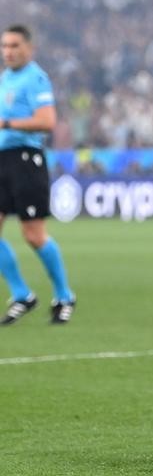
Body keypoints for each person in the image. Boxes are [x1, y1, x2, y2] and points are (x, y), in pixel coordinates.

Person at [0, 25, 75, 325]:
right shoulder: (5, 78)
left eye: (14, 46)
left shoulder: (36, 78)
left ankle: (64, 296)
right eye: (4, 46)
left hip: (26, 159)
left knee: (33, 234)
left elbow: (46, 121)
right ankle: (22, 294)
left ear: (29, 48)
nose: (8, 52)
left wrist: (7, 124)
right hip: (3, 159)